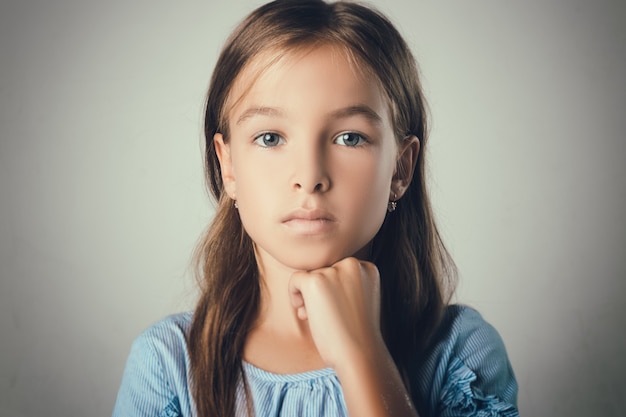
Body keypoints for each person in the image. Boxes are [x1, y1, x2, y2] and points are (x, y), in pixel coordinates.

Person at [112, 0, 519, 416]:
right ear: (228, 165)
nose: (309, 177)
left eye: (349, 138)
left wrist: (362, 354)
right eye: (270, 137)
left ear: (401, 168)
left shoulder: (459, 351)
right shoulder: (168, 364)